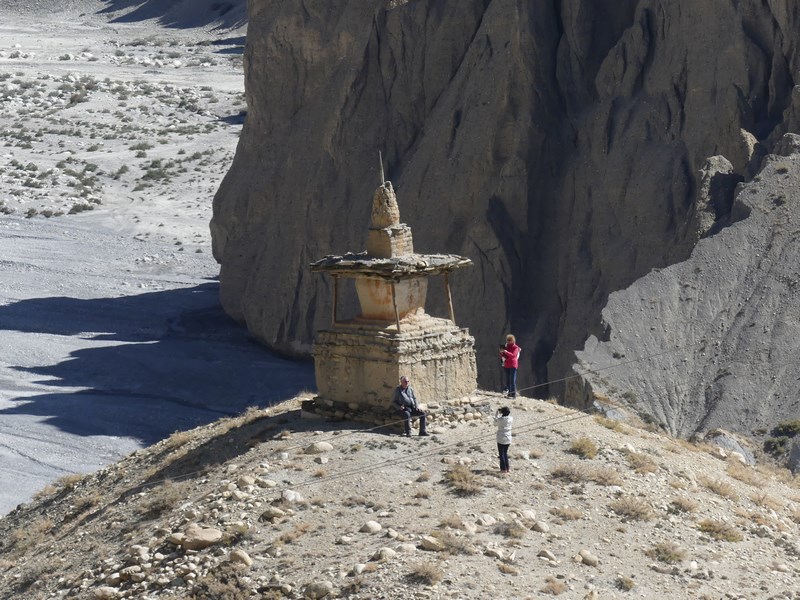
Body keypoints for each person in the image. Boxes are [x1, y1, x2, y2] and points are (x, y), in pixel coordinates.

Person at [494, 406, 513, 473]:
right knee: (505, 453)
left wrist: (496, 414)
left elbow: (495, 423)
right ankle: (507, 468)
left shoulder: (500, 420)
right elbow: (507, 416)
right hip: (508, 437)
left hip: (501, 438)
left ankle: (503, 469)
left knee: (501, 454)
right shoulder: (511, 418)